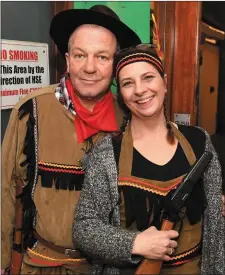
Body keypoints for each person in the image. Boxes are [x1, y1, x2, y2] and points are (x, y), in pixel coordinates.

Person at [1, 5, 141, 275]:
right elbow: (4, 190)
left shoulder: (131, 117)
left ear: (115, 65)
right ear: (67, 60)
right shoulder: (31, 111)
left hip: (106, 268)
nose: (89, 68)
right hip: (41, 264)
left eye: (102, 57)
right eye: (80, 55)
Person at [73, 44, 225, 275]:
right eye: (128, 83)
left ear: (164, 81)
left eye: (148, 77)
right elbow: (84, 229)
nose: (140, 90)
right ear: (121, 94)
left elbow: (215, 221)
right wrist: (136, 243)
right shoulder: (107, 153)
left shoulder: (199, 141)